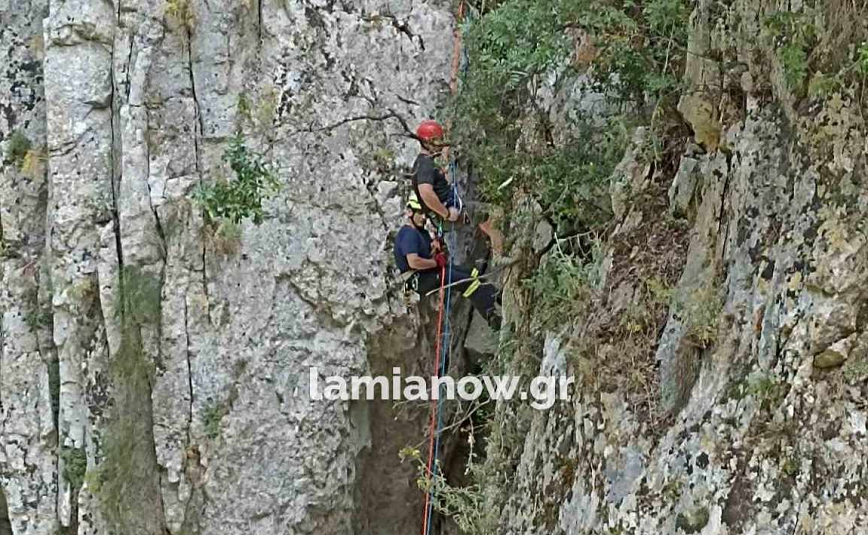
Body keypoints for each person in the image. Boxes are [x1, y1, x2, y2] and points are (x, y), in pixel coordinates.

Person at [395, 193, 501, 330]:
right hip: (421, 278)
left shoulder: (420, 232)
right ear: (410, 212)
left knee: (471, 272)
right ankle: (491, 315)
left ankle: (496, 295)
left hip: (427, 273)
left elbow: (425, 253)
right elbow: (414, 262)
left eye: (425, 213)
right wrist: (435, 263)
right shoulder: (409, 234)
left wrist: (436, 249)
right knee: (467, 282)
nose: (423, 217)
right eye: (419, 213)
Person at [411, 120, 504, 254]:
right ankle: (501, 259)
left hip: (446, 213)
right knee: (496, 213)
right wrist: (446, 213)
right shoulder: (425, 165)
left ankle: (495, 246)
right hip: (449, 213)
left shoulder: (423, 162)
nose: (441, 143)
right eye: (437, 140)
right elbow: (426, 193)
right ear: (427, 142)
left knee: (487, 220)